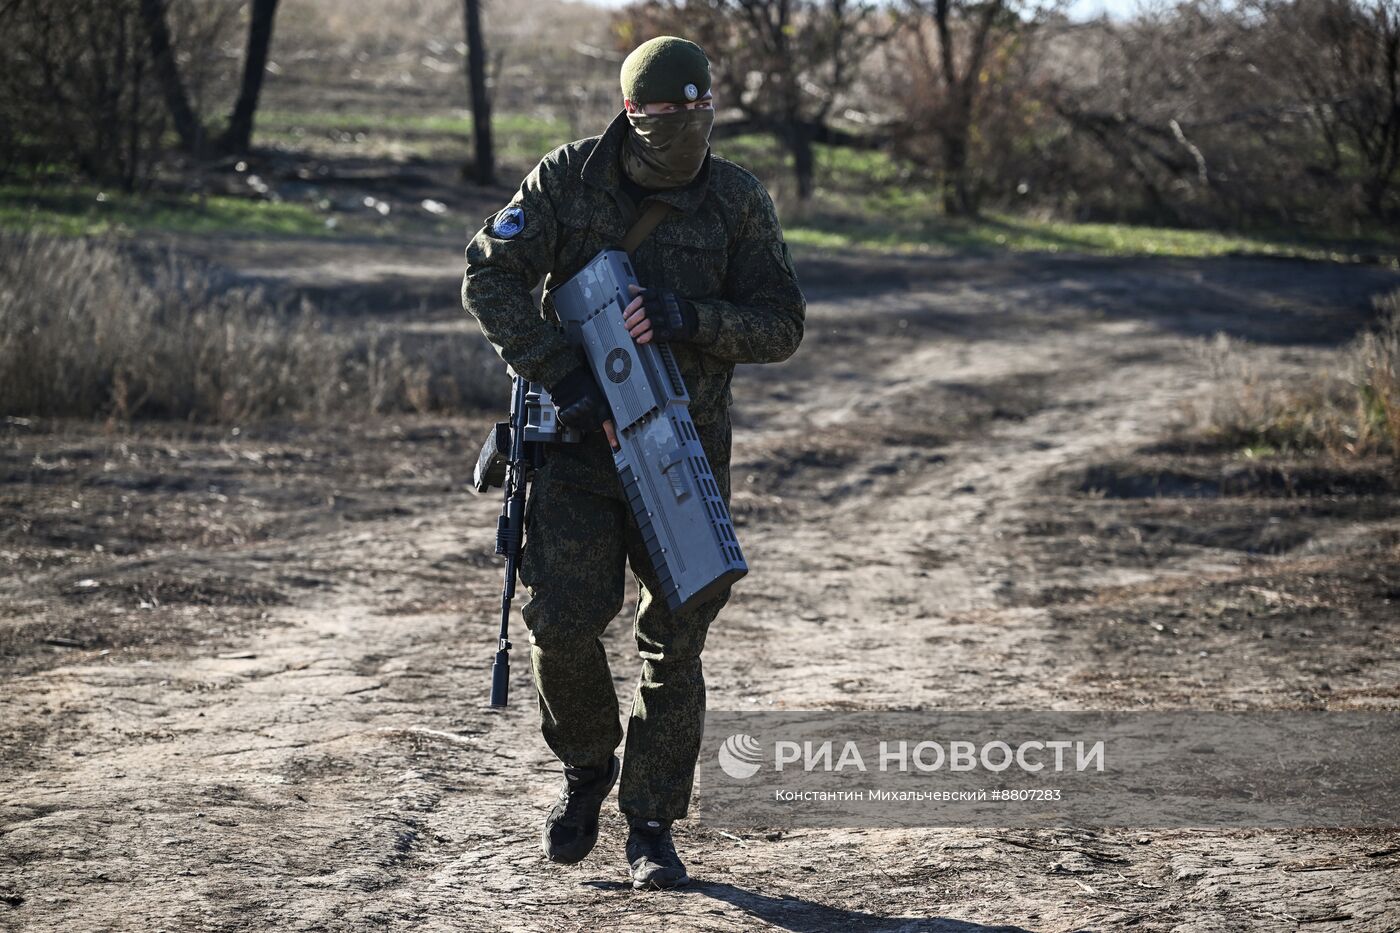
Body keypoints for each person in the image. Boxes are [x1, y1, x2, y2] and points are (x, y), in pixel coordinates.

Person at [461, 35, 805, 890]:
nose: (685, 127)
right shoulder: (568, 180)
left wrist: (688, 315)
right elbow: (489, 275)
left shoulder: (735, 200)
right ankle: (586, 766)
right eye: (664, 114)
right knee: (563, 624)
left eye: (699, 111)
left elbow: (782, 324)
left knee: (674, 641)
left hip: (680, 459)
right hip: (576, 454)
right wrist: (562, 370)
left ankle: (651, 824)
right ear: (630, 113)